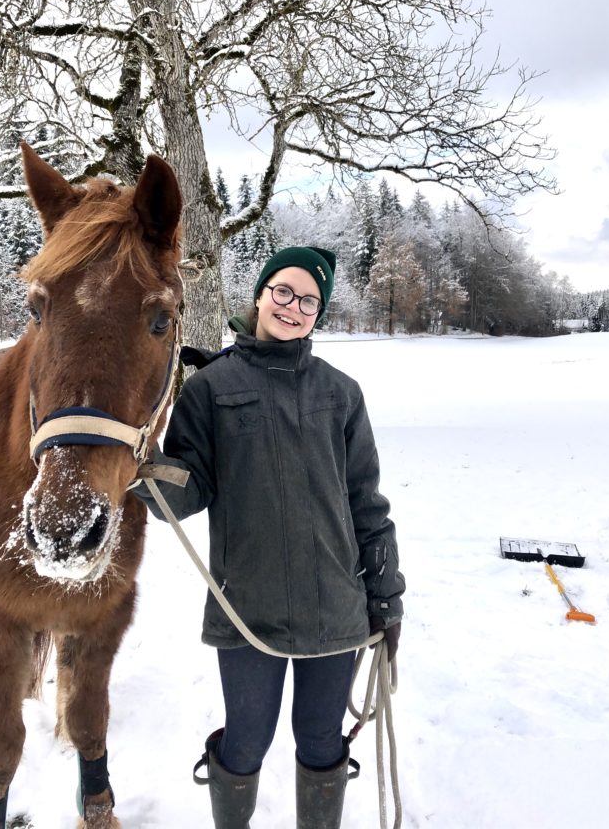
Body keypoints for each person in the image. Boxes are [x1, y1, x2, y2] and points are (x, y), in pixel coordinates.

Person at [132, 246, 405, 829]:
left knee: (321, 739)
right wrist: (138, 466)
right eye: (283, 291)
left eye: (309, 300)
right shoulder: (210, 388)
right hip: (246, 608)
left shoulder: (342, 392)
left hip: (335, 609)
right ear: (259, 294)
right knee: (246, 740)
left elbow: (367, 502)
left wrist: (386, 597)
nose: (293, 306)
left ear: (318, 315)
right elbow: (188, 489)